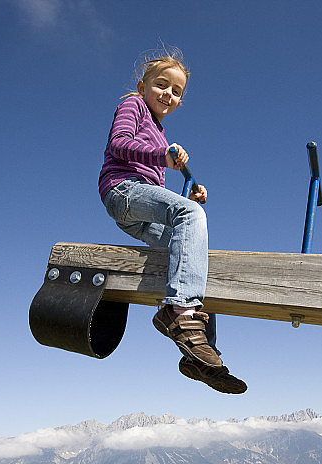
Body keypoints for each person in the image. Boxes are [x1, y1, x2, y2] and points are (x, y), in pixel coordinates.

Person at [98, 51, 247, 394]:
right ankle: (178, 312)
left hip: (139, 205)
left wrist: (186, 199)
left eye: (176, 91)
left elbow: (157, 191)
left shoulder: (161, 132)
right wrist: (162, 158)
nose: (168, 94)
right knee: (192, 218)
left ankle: (200, 355)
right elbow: (119, 145)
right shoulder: (132, 106)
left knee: (190, 259)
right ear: (143, 85)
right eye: (161, 85)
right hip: (122, 191)